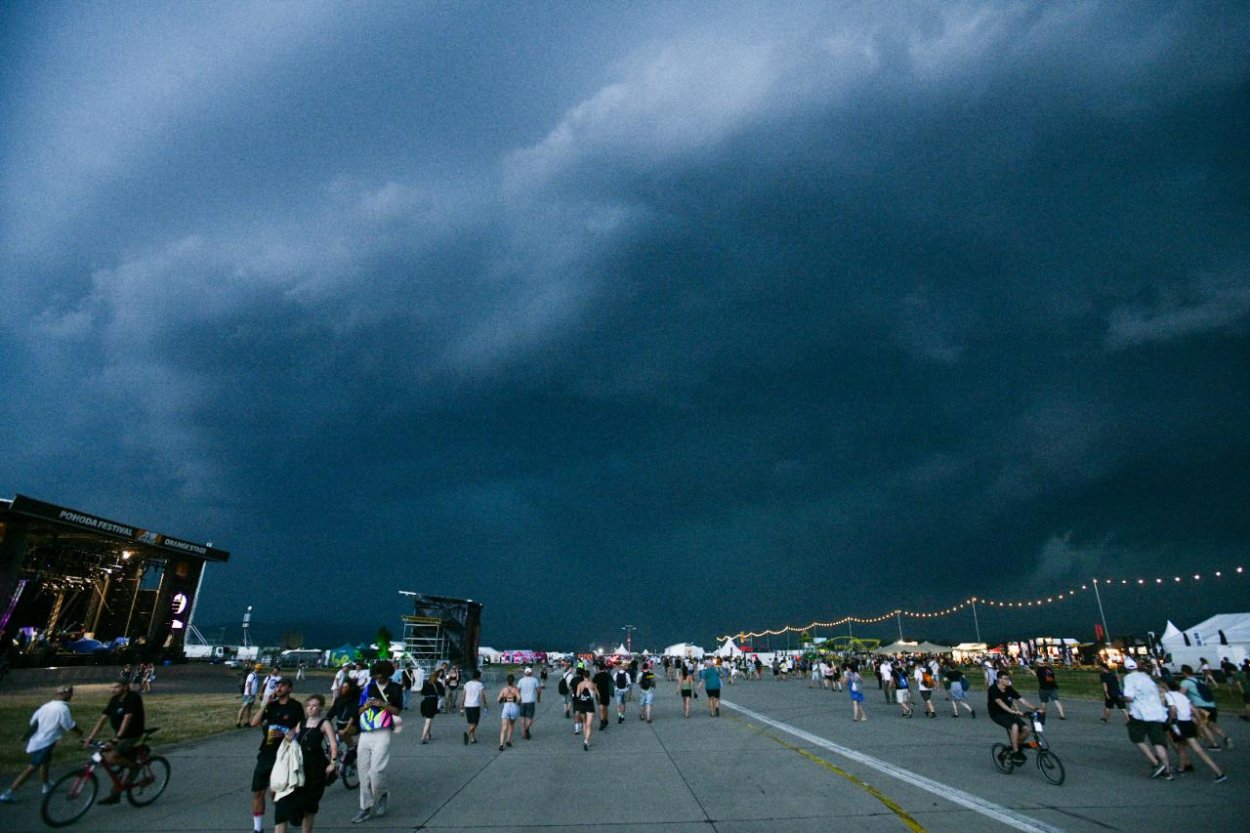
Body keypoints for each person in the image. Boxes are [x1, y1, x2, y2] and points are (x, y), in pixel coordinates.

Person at [0, 685, 82, 803]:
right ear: (67, 694)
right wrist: (80, 733)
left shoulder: (45, 706)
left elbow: (33, 722)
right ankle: (9, 792)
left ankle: (46, 784)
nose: (71, 696)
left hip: (38, 739)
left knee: (45, 762)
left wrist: (27, 736)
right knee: (32, 767)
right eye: (71, 693)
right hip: (45, 742)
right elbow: (69, 726)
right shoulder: (63, 709)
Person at [274, 693, 338, 833]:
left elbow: (333, 744)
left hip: (316, 766)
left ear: (320, 707)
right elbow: (292, 737)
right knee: (296, 798)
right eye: (309, 706)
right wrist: (283, 735)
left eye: (314, 706)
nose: (311, 708)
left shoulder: (324, 723)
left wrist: (332, 762)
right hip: (301, 764)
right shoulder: (302, 722)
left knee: (310, 804)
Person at [246, 676, 302, 832]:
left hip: (285, 753)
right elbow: (253, 723)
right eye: (277, 686)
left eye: (283, 686)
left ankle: (288, 814)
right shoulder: (271, 706)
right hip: (266, 752)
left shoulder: (295, 707)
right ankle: (258, 828)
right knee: (258, 791)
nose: (279, 688)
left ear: (290, 688)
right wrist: (265, 704)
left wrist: (286, 734)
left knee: (276, 792)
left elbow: (300, 729)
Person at [353, 661, 403, 824]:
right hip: (366, 731)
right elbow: (359, 710)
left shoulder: (395, 688)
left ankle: (381, 794)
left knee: (376, 771)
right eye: (375, 676)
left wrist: (383, 705)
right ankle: (365, 807)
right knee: (363, 771)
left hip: (383, 731)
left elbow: (397, 710)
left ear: (387, 674)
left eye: (380, 676)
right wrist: (366, 706)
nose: (377, 679)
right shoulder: (369, 687)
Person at [83, 679, 146, 805]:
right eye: (111, 687)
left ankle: (135, 767)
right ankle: (116, 793)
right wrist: (90, 737)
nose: (113, 690)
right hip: (120, 735)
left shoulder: (133, 698)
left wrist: (116, 738)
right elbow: (102, 719)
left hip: (132, 735)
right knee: (108, 758)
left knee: (111, 757)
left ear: (125, 687)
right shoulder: (114, 700)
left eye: (116, 687)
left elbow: (127, 719)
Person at [1163, 680, 1227, 782]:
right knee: (1181, 746)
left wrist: (1170, 721)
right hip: (1188, 723)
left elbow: (1173, 709)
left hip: (1179, 724)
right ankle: (1181, 767)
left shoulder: (1169, 695)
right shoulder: (1182, 696)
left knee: (1197, 749)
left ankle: (1218, 772)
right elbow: (1193, 709)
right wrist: (1200, 723)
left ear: (1166, 686)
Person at [1120, 657, 1173, 779]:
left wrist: (1121, 697)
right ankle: (1168, 770)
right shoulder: (1146, 677)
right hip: (1157, 713)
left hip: (1140, 714)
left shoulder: (1128, 679)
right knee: (1158, 742)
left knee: (1137, 738)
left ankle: (1155, 762)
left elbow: (1129, 697)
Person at [987, 672, 1036, 763]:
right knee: (1014, 726)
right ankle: (1015, 751)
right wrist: (1013, 711)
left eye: (1008, 678)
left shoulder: (1009, 689)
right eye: (1005, 678)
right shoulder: (993, 689)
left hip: (1009, 713)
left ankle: (1014, 745)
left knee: (1027, 729)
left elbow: (1022, 700)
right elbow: (1000, 703)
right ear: (999, 679)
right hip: (997, 714)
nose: (1008, 680)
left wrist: (1035, 708)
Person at [572, 667, 597, 750]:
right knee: (589, 725)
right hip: (590, 704)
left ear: (583, 676)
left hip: (582, 705)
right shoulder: (592, 684)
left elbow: (578, 695)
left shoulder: (580, 684)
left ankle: (586, 739)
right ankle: (586, 741)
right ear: (589, 676)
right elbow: (597, 694)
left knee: (584, 723)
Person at [461, 669, 486, 744]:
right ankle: (468, 733)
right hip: (475, 705)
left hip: (467, 705)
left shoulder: (467, 684)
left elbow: (463, 695)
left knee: (471, 722)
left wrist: (462, 705)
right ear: (478, 676)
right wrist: (485, 704)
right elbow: (482, 695)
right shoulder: (480, 685)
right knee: (475, 722)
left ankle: (473, 738)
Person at [497, 673, 521, 750]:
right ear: (513, 681)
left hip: (506, 707)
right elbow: (519, 698)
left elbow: (498, 700)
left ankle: (501, 744)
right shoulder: (515, 689)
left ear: (507, 681)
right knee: (511, 725)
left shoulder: (504, 689)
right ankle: (508, 740)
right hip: (514, 706)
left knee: (504, 727)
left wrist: (503, 699)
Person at [517, 667, 540, 739]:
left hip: (522, 701)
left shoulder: (521, 681)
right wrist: (538, 698)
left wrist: (518, 698)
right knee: (530, 717)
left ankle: (523, 731)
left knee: (522, 716)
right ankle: (527, 728)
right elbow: (539, 690)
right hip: (531, 700)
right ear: (531, 673)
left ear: (525, 673)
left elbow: (517, 690)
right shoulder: (534, 680)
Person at [238, 663, 262, 728]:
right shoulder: (252, 675)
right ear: (258, 669)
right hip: (249, 694)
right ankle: (238, 722)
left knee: (249, 708)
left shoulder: (255, 675)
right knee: (244, 707)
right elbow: (249, 684)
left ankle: (247, 722)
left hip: (252, 694)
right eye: (260, 669)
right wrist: (249, 693)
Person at [592, 662, 613, 731]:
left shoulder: (596, 676)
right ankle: (605, 720)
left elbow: (593, 685)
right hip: (606, 694)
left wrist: (596, 692)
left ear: (599, 668)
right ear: (605, 668)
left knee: (601, 708)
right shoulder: (608, 675)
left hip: (599, 694)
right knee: (605, 707)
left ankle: (602, 722)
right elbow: (612, 683)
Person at [419, 673, 439, 744]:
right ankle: (423, 736)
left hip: (426, 701)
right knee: (428, 720)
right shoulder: (436, 684)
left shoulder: (426, 684)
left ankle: (428, 734)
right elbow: (441, 692)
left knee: (429, 719)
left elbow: (422, 692)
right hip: (432, 702)